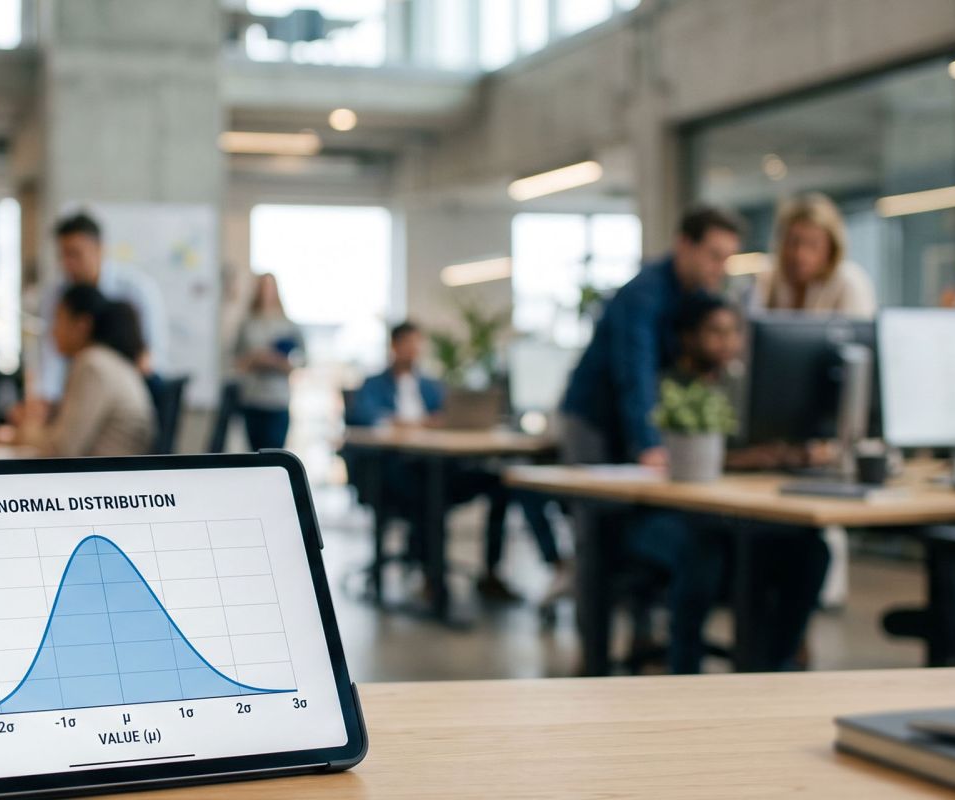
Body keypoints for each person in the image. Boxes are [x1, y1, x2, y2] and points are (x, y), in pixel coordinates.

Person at [627, 294, 831, 673]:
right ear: (688, 337)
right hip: (667, 514)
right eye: (715, 332)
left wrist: (789, 453)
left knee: (810, 549)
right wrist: (745, 459)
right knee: (703, 550)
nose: (727, 342)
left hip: (733, 513)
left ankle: (774, 667)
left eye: (734, 332)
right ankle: (684, 671)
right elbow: (663, 458)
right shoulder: (664, 387)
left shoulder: (745, 387)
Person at [350, 322, 568, 605]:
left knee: (503, 482)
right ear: (394, 346)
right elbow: (366, 417)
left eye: (417, 344)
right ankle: (433, 580)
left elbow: (449, 414)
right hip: (396, 471)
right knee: (428, 491)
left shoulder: (430, 385)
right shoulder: (373, 384)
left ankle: (494, 574)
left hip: (439, 464)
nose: (414, 350)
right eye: (408, 344)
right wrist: (411, 423)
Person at [561, 206, 746, 467]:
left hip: (631, 418)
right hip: (596, 419)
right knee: (597, 491)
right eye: (714, 256)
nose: (721, 269)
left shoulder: (698, 297)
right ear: (684, 244)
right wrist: (648, 444)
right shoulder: (644, 294)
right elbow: (635, 371)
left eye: (727, 259)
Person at [12, 286, 155, 458]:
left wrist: (25, 428)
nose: (53, 332)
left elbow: (61, 449)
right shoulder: (107, 360)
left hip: (108, 473)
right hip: (114, 470)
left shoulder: (93, 365)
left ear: (81, 325)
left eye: (58, 319)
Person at [39, 212, 168, 399]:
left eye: (75, 254)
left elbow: (153, 354)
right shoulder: (56, 294)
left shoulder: (135, 290)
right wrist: (47, 400)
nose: (68, 264)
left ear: (99, 250)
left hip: (130, 390)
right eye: (63, 256)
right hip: (79, 391)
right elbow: (51, 355)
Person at [752, 193, 876, 318]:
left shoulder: (849, 282)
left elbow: (858, 329)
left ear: (831, 248)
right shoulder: (768, 277)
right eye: (793, 242)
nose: (800, 254)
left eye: (812, 244)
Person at [234, 273, 304, 451]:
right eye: (263, 287)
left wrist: (279, 362)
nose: (266, 292)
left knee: (275, 453)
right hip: (252, 399)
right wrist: (255, 359)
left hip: (278, 400)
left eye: (270, 287)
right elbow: (236, 361)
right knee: (254, 454)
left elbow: (302, 360)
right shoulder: (248, 324)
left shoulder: (288, 325)